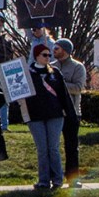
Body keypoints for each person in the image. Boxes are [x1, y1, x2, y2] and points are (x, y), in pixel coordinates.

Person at [18, 43, 73, 189]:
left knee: (53, 147)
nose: (48, 57)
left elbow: (64, 95)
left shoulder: (55, 73)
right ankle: (43, 180)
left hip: (55, 115)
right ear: (36, 56)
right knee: (42, 149)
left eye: (49, 55)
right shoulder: (27, 74)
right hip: (35, 116)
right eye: (44, 55)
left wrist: (70, 114)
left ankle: (57, 179)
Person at [52, 38, 86, 173]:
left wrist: (59, 84)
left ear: (65, 50)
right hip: (54, 112)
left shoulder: (78, 67)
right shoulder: (51, 66)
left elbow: (78, 87)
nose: (53, 51)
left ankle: (72, 177)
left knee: (71, 146)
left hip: (72, 112)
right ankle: (54, 176)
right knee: (52, 147)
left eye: (56, 48)